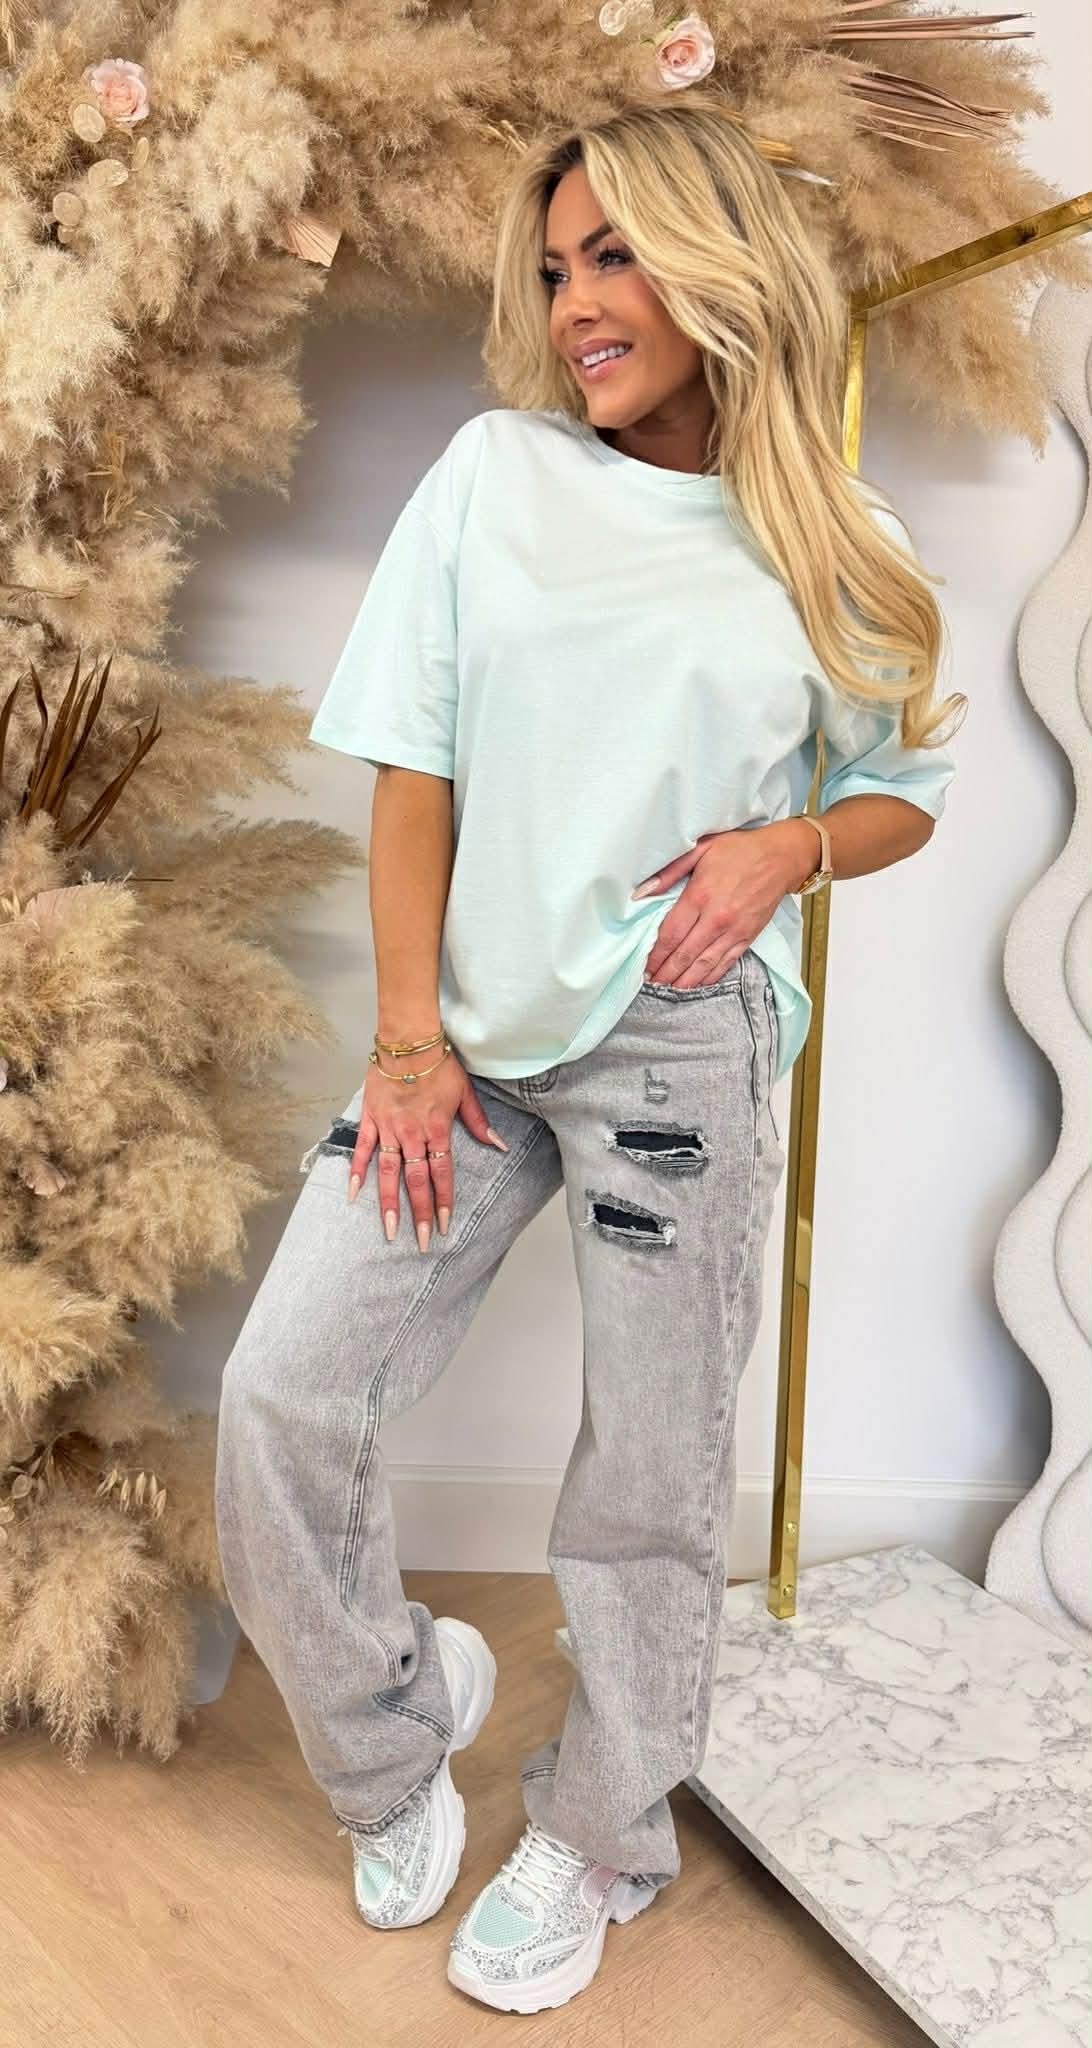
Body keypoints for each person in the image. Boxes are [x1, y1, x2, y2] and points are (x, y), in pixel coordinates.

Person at [214, 92, 963, 2017]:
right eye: (558, 269)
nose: (577, 309)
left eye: (616, 256)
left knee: (647, 1474)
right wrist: (405, 1045)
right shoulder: (496, 476)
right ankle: (395, 1735)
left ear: (720, 264)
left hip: (681, 1052)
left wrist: (789, 848)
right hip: (464, 1042)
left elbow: (905, 789)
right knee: (285, 1397)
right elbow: (414, 773)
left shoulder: (835, 538)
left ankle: (608, 1829)